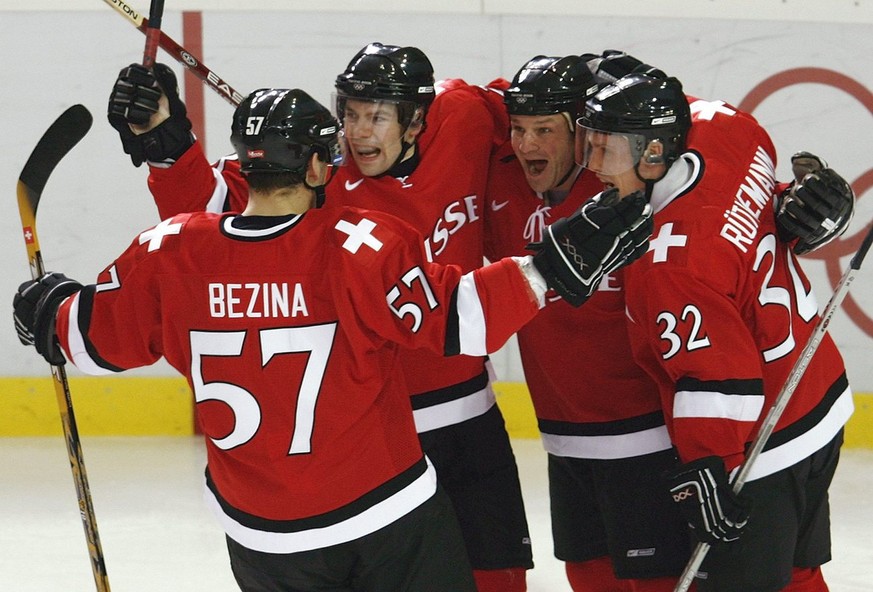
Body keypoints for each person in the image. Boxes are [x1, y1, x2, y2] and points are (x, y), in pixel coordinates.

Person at [14, 89, 652, 592]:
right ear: (321, 164)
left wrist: (46, 308)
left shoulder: (173, 250)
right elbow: (461, 319)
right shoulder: (358, 245)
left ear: (244, 166)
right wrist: (546, 269)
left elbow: (86, 339)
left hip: (262, 538)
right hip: (381, 516)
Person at [107, 44, 535, 591]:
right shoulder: (317, 177)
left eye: (377, 116)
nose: (358, 132)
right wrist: (165, 145)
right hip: (376, 439)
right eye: (350, 113)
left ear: (417, 119)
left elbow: (540, 110)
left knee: (497, 577)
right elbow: (217, 208)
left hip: (467, 416)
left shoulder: (466, 115)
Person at [485, 52, 856, 592]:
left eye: (605, 147)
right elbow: (742, 220)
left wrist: (711, 465)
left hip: (758, 435)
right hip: (814, 393)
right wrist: (797, 205)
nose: (595, 165)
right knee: (797, 577)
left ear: (654, 149)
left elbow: (719, 374)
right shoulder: (732, 132)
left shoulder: (663, 260)